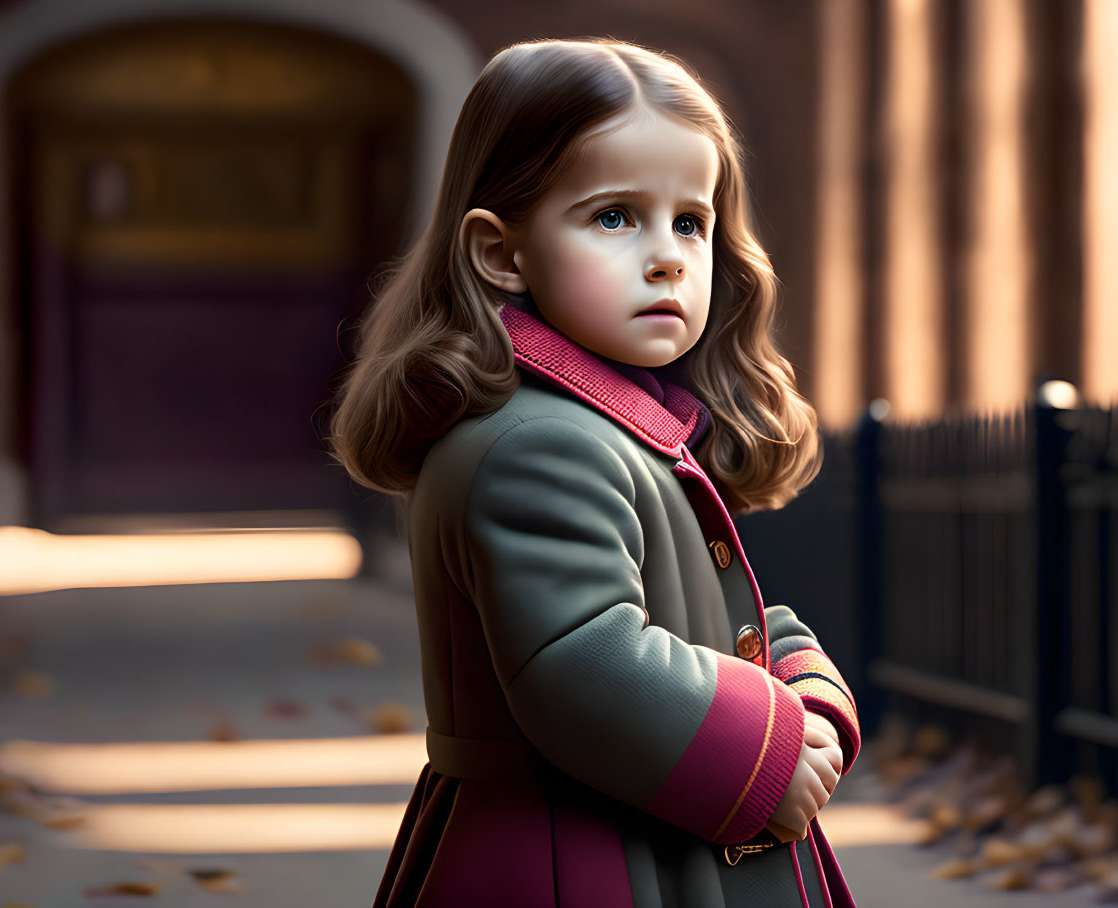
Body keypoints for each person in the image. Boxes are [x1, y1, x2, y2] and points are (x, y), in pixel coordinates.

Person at [328, 37, 861, 908]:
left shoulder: (613, 425)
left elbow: (703, 622)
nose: (668, 256)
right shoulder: (534, 442)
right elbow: (580, 661)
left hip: (637, 826)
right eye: (614, 216)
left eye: (690, 220)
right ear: (501, 254)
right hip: (575, 855)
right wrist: (766, 756)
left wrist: (805, 700)